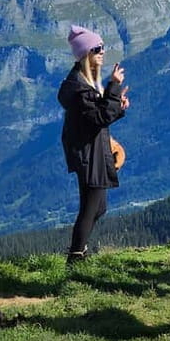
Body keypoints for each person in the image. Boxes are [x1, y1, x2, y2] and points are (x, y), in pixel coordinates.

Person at [58, 25, 130, 265]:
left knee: (99, 208)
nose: (102, 52)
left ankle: (79, 252)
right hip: (89, 154)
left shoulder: (84, 83)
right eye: (97, 49)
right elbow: (99, 118)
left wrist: (117, 106)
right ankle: (76, 258)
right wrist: (114, 88)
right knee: (90, 209)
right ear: (85, 54)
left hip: (91, 150)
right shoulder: (81, 89)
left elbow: (97, 117)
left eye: (102, 47)